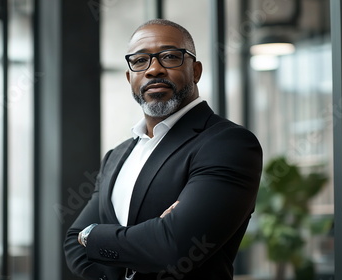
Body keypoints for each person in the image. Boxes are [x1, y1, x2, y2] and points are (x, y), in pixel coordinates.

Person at [64, 19, 262, 280]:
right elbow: (71, 246)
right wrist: (148, 240)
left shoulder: (228, 144)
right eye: (139, 61)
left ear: (196, 71)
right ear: (129, 76)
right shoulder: (117, 156)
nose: (154, 69)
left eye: (169, 57)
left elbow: (174, 247)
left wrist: (91, 235)